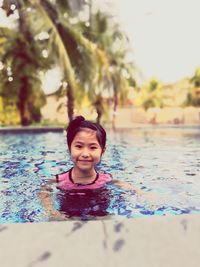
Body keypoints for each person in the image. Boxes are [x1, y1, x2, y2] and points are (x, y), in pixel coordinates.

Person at [38, 116, 153, 221]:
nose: (85, 153)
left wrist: (140, 192)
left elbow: (122, 185)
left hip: (100, 217)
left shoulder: (105, 179)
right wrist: (52, 211)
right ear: (69, 148)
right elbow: (43, 191)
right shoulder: (60, 180)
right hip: (67, 218)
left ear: (102, 151)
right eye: (79, 146)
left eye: (93, 147)